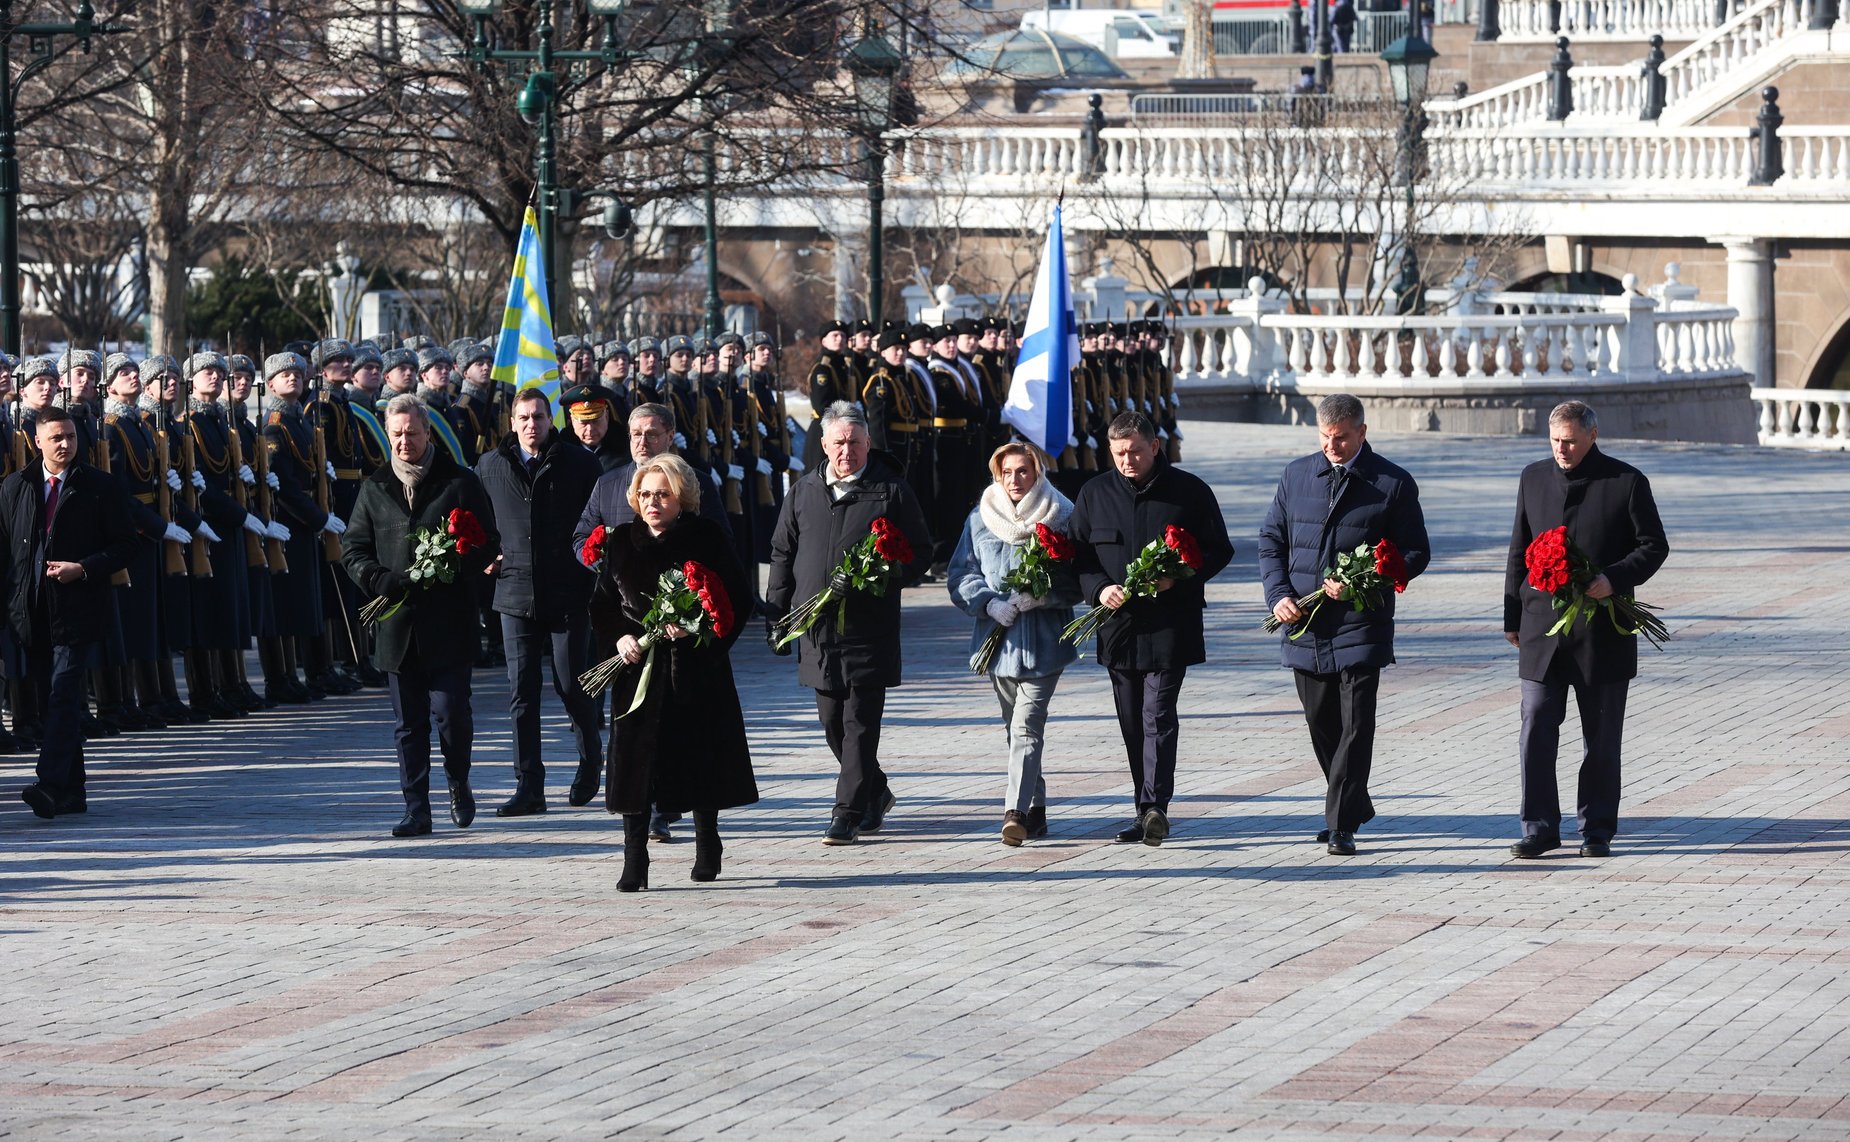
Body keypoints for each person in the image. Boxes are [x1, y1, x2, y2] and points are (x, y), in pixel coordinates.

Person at [1258, 394, 1430, 856]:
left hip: (1362, 622)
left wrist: (1365, 581)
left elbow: (1416, 553)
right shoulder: (1297, 475)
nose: (1332, 446)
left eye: (1342, 438)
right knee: (1320, 721)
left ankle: (1340, 823)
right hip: (1305, 622)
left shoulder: (1392, 483)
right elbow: (1271, 539)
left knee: (1356, 725)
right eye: (1325, 437)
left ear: (1362, 433)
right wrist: (1279, 597)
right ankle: (1353, 803)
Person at [1504, 401, 1667, 859]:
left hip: (1602, 633)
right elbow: (1519, 547)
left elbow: (1654, 545)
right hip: (1541, 630)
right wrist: (1512, 616)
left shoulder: (1626, 481)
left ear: (1592, 436)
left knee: (1600, 735)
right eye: (1556, 441)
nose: (1562, 449)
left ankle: (1596, 828)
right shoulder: (1532, 477)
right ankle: (1538, 827)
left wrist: (1612, 579)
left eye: (1571, 441)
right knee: (1535, 723)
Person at [589, 453, 757, 891]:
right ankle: (634, 859)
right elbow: (603, 602)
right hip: (637, 674)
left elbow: (737, 601)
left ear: (681, 497)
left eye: (662, 494)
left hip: (695, 670)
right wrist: (620, 638)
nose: (652, 503)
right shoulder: (622, 540)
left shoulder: (707, 538)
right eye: (645, 495)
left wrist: (698, 630)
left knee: (699, 760)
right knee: (635, 768)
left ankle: (707, 842)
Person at [766, 401, 930, 845]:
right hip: (816, 629)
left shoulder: (890, 490)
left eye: (855, 443)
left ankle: (846, 813)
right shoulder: (803, 492)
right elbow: (782, 555)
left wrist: (881, 574)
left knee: (859, 723)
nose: (846, 452)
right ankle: (874, 790)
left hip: (867, 630)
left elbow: (919, 554)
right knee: (832, 723)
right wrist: (778, 616)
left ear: (868, 444)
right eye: (838, 443)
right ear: (823, 444)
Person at [1069, 411, 1233, 847]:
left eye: (1136, 451)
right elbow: (1079, 557)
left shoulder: (1189, 492)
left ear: (1155, 447)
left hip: (1170, 624)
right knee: (1130, 721)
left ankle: (1157, 805)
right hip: (1118, 627)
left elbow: (1219, 550)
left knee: (1157, 714)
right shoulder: (1093, 493)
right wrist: (1099, 590)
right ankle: (1143, 809)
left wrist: (1178, 576)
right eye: (1119, 453)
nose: (1128, 461)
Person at [344, 393, 501, 838]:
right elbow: (352, 548)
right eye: (396, 434)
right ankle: (417, 809)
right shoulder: (375, 487)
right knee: (408, 724)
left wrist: (454, 567)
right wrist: (376, 579)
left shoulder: (460, 481)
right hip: (397, 625)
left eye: (412, 432)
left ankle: (458, 782)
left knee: (452, 713)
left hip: (449, 620)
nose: (404, 441)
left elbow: (488, 542)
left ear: (427, 432)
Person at [570, 399, 729, 835]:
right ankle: (643, 812)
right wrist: (599, 557)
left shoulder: (693, 483)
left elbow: (718, 549)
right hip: (628, 634)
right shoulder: (609, 484)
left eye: (652, 434)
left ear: (670, 436)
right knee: (635, 727)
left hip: (678, 632)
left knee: (675, 725)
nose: (642, 441)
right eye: (636, 434)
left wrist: (695, 610)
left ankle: (668, 811)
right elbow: (582, 534)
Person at [4, 407, 140, 819]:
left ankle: (47, 783)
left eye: (72, 437)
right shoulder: (15, 487)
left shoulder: (99, 487)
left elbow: (126, 545)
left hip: (78, 609)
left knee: (63, 693)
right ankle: (72, 792)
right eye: (57, 438)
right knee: (52, 699)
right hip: (32, 613)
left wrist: (84, 568)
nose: (66, 445)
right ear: (37, 441)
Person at [476, 387, 605, 816]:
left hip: (568, 591)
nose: (532, 425)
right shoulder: (490, 466)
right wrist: (486, 554)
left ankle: (590, 764)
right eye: (524, 418)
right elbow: (478, 523)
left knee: (572, 685)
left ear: (552, 422)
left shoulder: (581, 463)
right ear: (512, 423)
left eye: (539, 417)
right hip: (514, 593)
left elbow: (596, 520)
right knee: (522, 693)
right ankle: (529, 785)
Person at [947, 443, 1080, 846]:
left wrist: (1044, 595)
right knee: (1014, 729)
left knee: (1026, 727)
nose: (1014, 480)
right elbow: (960, 575)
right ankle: (1036, 809)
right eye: (1007, 472)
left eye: (1023, 471)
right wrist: (989, 602)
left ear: (1037, 472)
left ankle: (1014, 814)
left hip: (1045, 644)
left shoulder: (1061, 516)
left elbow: (1080, 577)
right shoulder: (980, 518)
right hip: (996, 643)